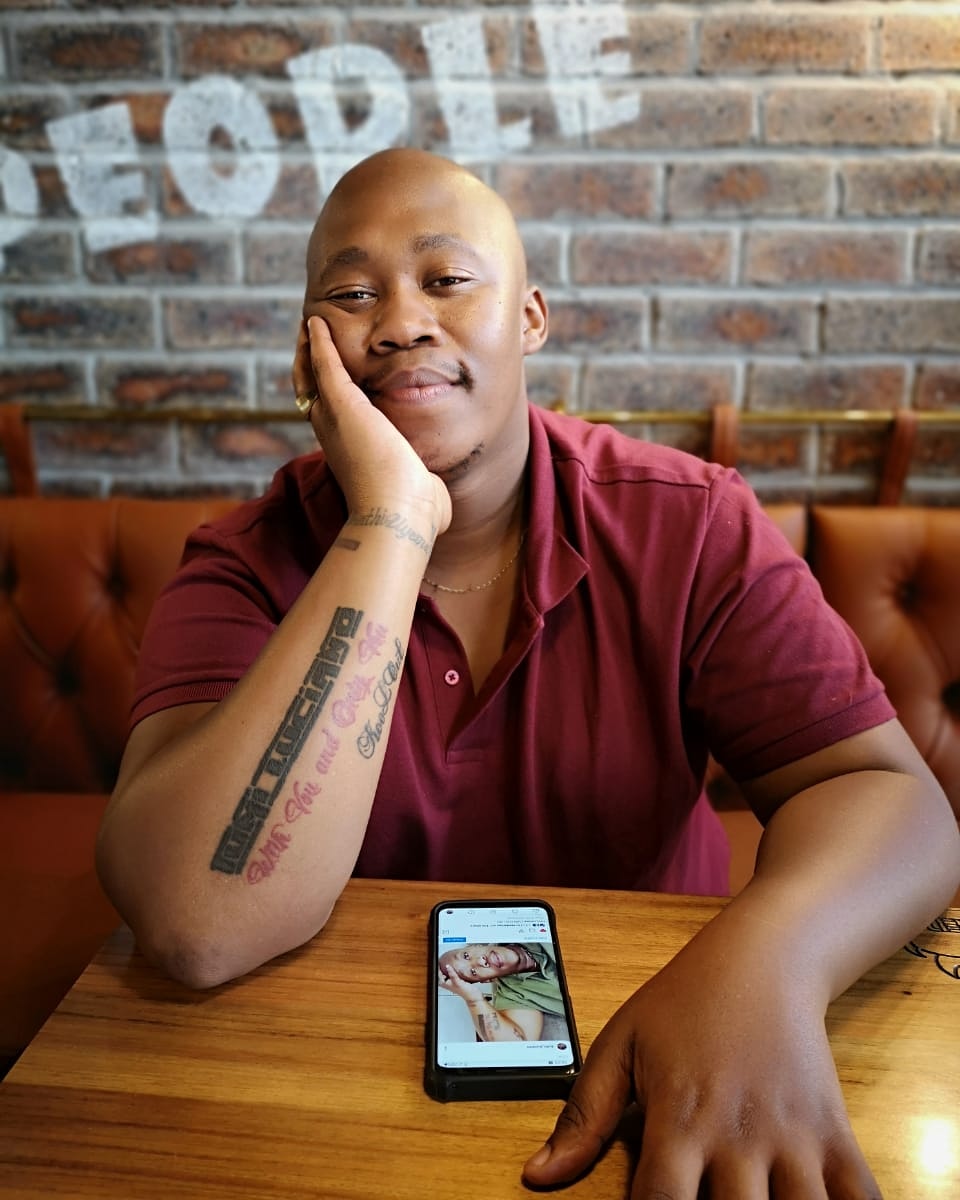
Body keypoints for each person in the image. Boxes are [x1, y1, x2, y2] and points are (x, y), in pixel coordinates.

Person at [96, 147, 960, 1197]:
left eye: (447, 279)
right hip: (332, 1077)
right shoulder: (243, 562)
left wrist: (766, 965)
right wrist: (392, 520)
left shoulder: (689, 522)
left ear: (532, 319)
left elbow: (886, 796)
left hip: (675, 1028)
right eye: (353, 295)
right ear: (308, 351)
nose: (401, 322)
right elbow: (197, 921)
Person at [438, 942, 566, 1042]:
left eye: (466, 956)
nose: (480, 961)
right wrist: (473, 999)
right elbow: (517, 1045)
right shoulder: (512, 994)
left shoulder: (518, 929)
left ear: (475, 946)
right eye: (473, 972)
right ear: (487, 980)